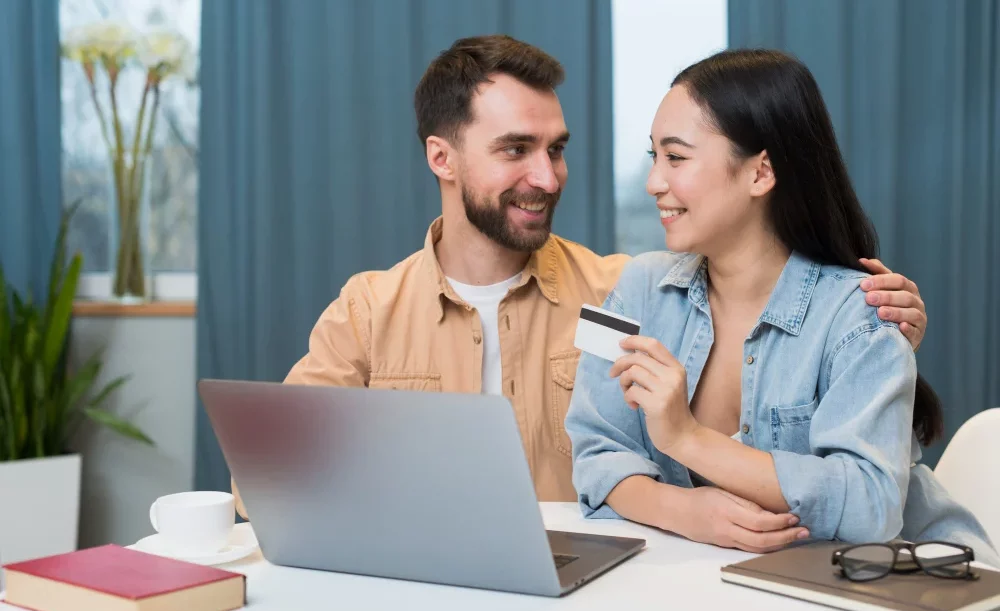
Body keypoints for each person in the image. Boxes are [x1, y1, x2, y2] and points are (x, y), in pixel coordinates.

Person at [230, 36, 929, 522]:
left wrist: (879, 327)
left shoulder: (625, 295)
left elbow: (750, 300)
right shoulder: (368, 311)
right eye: (515, 150)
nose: (547, 176)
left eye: (556, 149)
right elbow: (267, 480)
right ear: (441, 158)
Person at [564, 48, 998, 565]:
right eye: (654, 156)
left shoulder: (864, 313)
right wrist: (683, 510)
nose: (653, 181)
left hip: (906, 580)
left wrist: (688, 438)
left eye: (676, 157)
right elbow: (593, 452)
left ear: (760, 173)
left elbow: (870, 507)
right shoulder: (634, 286)